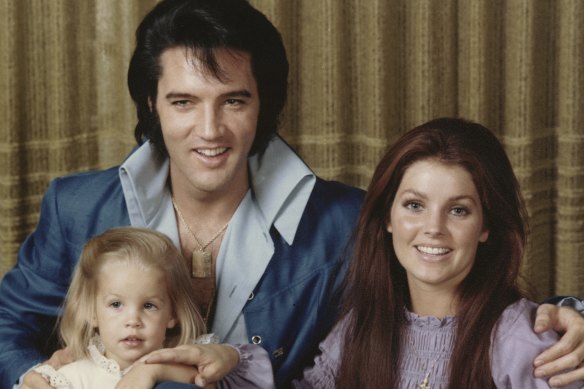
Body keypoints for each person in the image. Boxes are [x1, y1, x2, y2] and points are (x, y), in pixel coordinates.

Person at [0, 0, 581, 388]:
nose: (209, 130)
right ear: (151, 105)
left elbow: (444, 291)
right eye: (183, 102)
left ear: (263, 106)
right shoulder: (76, 207)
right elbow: (8, 325)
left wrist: (570, 318)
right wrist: (34, 378)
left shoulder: (343, 221)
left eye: (233, 100)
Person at [290, 118, 584, 388]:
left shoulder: (519, 340)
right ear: (388, 217)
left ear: (485, 226)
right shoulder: (358, 329)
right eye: (415, 205)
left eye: (458, 210)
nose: (434, 228)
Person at [31, 227, 273, 388]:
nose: (133, 320)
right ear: (92, 313)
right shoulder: (71, 378)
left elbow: (212, 381)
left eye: (149, 305)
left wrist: (157, 371)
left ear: (173, 314)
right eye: (116, 304)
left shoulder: (191, 361)